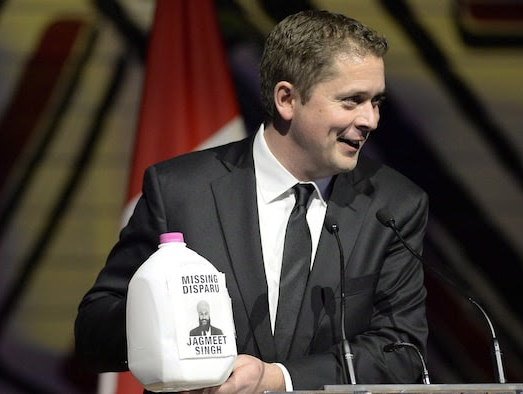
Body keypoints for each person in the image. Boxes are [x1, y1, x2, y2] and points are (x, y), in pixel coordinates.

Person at [75, 9, 429, 393]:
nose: (370, 120)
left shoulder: (394, 205)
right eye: (352, 101)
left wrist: (278, 379)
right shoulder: (181, 191)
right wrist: (162, 321)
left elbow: (401, 352)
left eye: (375, 101)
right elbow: (95, 332)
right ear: (287, 99)